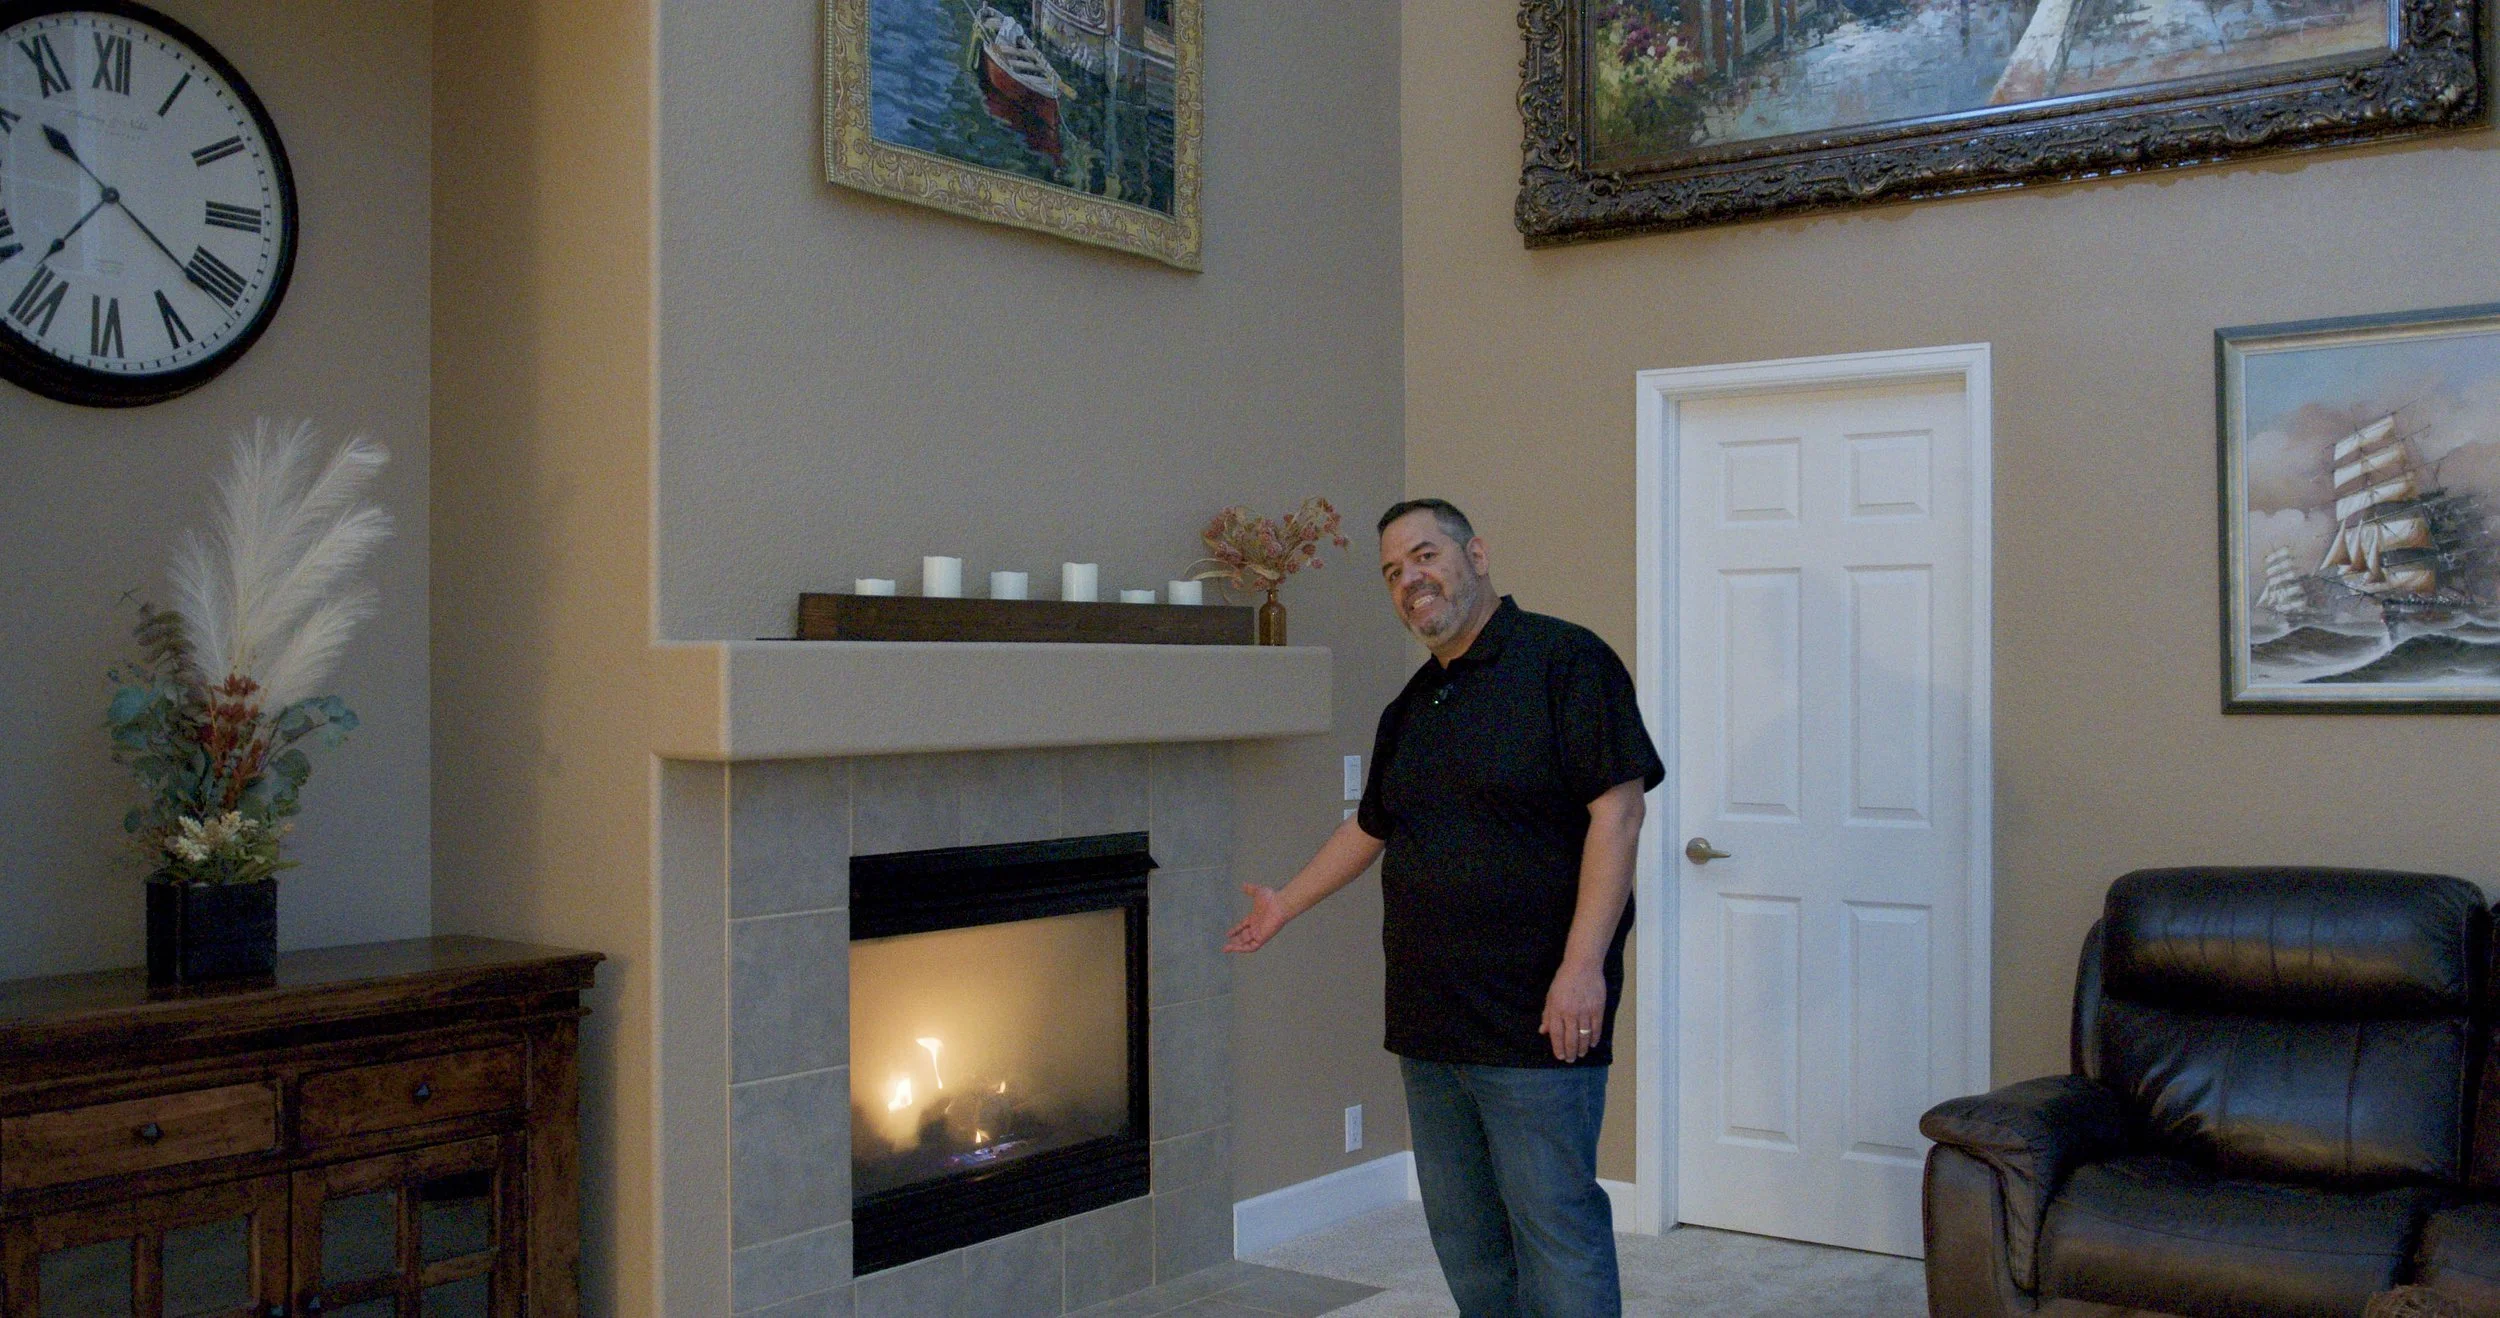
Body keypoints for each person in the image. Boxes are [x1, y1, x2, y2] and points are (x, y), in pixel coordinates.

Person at [1226, 498, 1662, 1318]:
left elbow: (1620, 811)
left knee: (1555, 1229)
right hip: (1429, 1026)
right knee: (1466, 1240)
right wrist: (1285, 902)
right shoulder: (1413, 706)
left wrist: (1580, 972)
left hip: (1537, 1020)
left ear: (1477, 554)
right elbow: (1369, 827)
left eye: (1424, 555)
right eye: (1393, 571)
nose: (1410, 580)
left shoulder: (1566, 662)